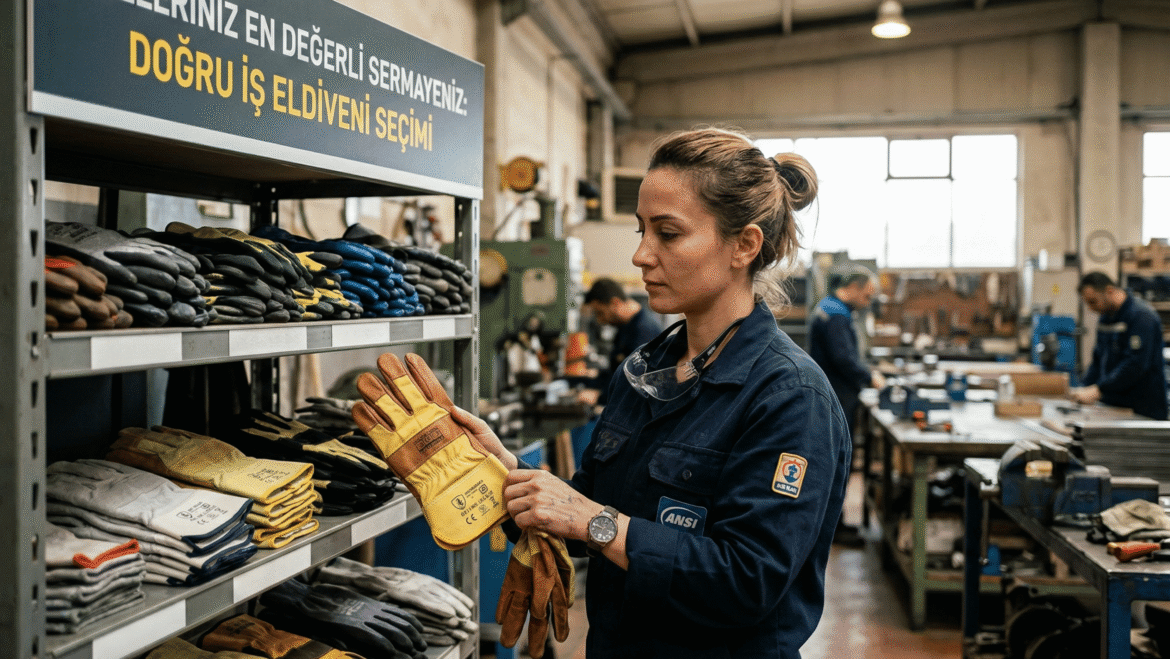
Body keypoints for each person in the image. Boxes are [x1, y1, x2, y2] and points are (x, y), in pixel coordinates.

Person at [456, 128, 851, 657]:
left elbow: (746, 581)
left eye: (668, 233)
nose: (641, 255)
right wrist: (507, 475)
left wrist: (591, 521)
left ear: (744, 245)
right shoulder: (643, 373)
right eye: (642, 230)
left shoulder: (790, 398)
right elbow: (587, 510)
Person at [1070, 271, 1168, 420]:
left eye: (1093, 301)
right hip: (1114, 406)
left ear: (1109, 291)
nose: (1091, 308)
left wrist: (1099, 389)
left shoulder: (1141, 317)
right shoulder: (1106, 318)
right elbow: (1098, 360)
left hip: (1142, 410)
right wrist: (1083, 388)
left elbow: (1135, 365)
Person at [807, 263, 886, 439]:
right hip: (836, 393)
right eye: (866, 296)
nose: (867, 302)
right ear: (852, 288)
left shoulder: (828, 306)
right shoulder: (836, 316)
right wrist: (870, 377)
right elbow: (843, 358)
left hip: (829, 390)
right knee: (839, 446)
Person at [575, 277, 663, 406]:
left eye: (600, 313)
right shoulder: (625, 326)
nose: (600, 320)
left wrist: (599, 397)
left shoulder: (643, 331)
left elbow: (636, 386)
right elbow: (617, 373)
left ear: (615, 303)